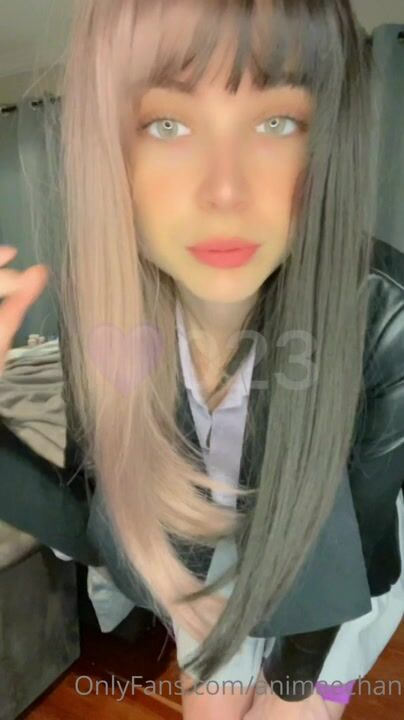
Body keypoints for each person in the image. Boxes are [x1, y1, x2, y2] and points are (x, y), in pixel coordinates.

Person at [0, 1, 403, 719]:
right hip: (207, 551)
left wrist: (291, 692)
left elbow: (356, 548)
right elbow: (94, 520)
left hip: (335, 592)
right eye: (167, 124)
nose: (224, 192)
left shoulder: (385, 313)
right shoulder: (100, 313)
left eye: (276, 123)